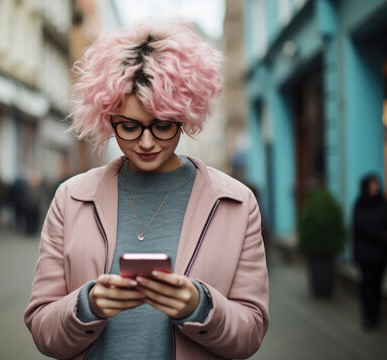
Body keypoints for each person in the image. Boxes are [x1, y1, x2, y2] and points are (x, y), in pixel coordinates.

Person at [24, 21, 269, 360]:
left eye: (163, 125)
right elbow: (42, 328)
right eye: (129, 126)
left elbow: (251, 332)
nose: (147, 141)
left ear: (185, 115)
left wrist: (201, 307)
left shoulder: (235, 203)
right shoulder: (71, 198)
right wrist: (87, 305)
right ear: (108, 118)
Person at [353, 174, 387, 330]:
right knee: (367, 286)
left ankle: (376, 315)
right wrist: (378, 235)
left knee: (377, 286)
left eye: (376, 184)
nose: (375, 187)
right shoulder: (360, 204)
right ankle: (368, 316)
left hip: (381, 254)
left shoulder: (383, 203)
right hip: (366, 254)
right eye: (372, 184)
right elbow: (360, 226)